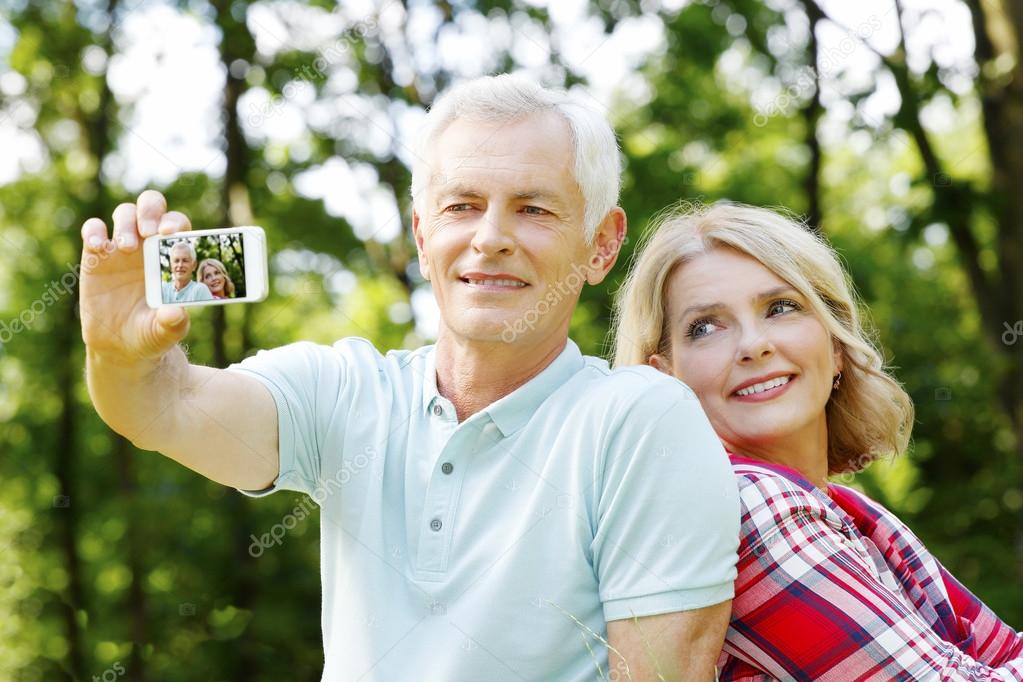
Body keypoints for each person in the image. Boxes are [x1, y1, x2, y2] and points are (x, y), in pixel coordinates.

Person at [79, 75, 741, 681]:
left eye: (534, 210)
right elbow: (164, 408)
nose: (489, 238)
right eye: (462, 206)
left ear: (600, 244)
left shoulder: (640, 421)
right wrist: (120, 354)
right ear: (422, 237)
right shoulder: (341, 389)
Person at [612, 201, 1023, 680]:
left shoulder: (848, 511)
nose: (753, 345)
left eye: (780, 308)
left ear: (835, 344)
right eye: (705, 327)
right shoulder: (752, 505)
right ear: (665, 378)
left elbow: (1003, 650)